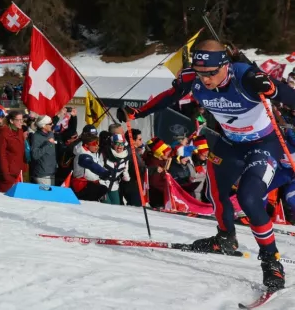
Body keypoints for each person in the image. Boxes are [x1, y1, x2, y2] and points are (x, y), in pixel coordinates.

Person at [121, 39, 295, 291]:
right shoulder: (193, 77)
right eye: (202, 73)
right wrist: (138, 112)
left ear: (225, 65)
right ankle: (226, 238)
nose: (206, 80)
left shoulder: (244, 76)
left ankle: (271, 261)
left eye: (212, 73)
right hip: (229, 143)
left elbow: (289, 96)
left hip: (263, 144)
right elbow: (170, 95)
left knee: (248, 197)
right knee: (216, 189)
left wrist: (274, 90)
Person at [28, 115, 57, 185]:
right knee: (46, 195)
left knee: (51, 195)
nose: (52, 124)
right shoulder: (36, 137)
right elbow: (35, 155)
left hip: (52, 171)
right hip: (42, 174)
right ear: (43, 126)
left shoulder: (50, 133)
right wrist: (48, 144)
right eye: (50, 124)